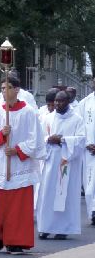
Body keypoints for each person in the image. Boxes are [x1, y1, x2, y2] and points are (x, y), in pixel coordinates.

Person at [0, 76, 45, 254]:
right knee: (0, 205)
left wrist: (17, 150)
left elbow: (36, 141)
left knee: (18, 207)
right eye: (2, 88)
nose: (5, 91)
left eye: (8, 87)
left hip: (20, 165)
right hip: (2, 164)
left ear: (17, 90)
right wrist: (2, 135)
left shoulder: (29, 113)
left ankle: (16, 241)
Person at [36, 91, 85, 240]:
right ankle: (45, 227)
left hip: (67, 162)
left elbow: (81, 140)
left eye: (61, 101)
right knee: (47, 194)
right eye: (56, 101)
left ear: (68, 102)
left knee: (65, 194)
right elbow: (39, 137)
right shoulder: (48, 118)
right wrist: (48, 139)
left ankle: (63, 228)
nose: (57, 104)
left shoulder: (77, 119)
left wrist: (63, 140)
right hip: (51, 161)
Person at [77, 79, 95, 225]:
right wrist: (87, 143)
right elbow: (79, 125)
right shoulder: (85, 103)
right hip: (90, 150)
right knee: (90, 184)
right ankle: (93, 211)